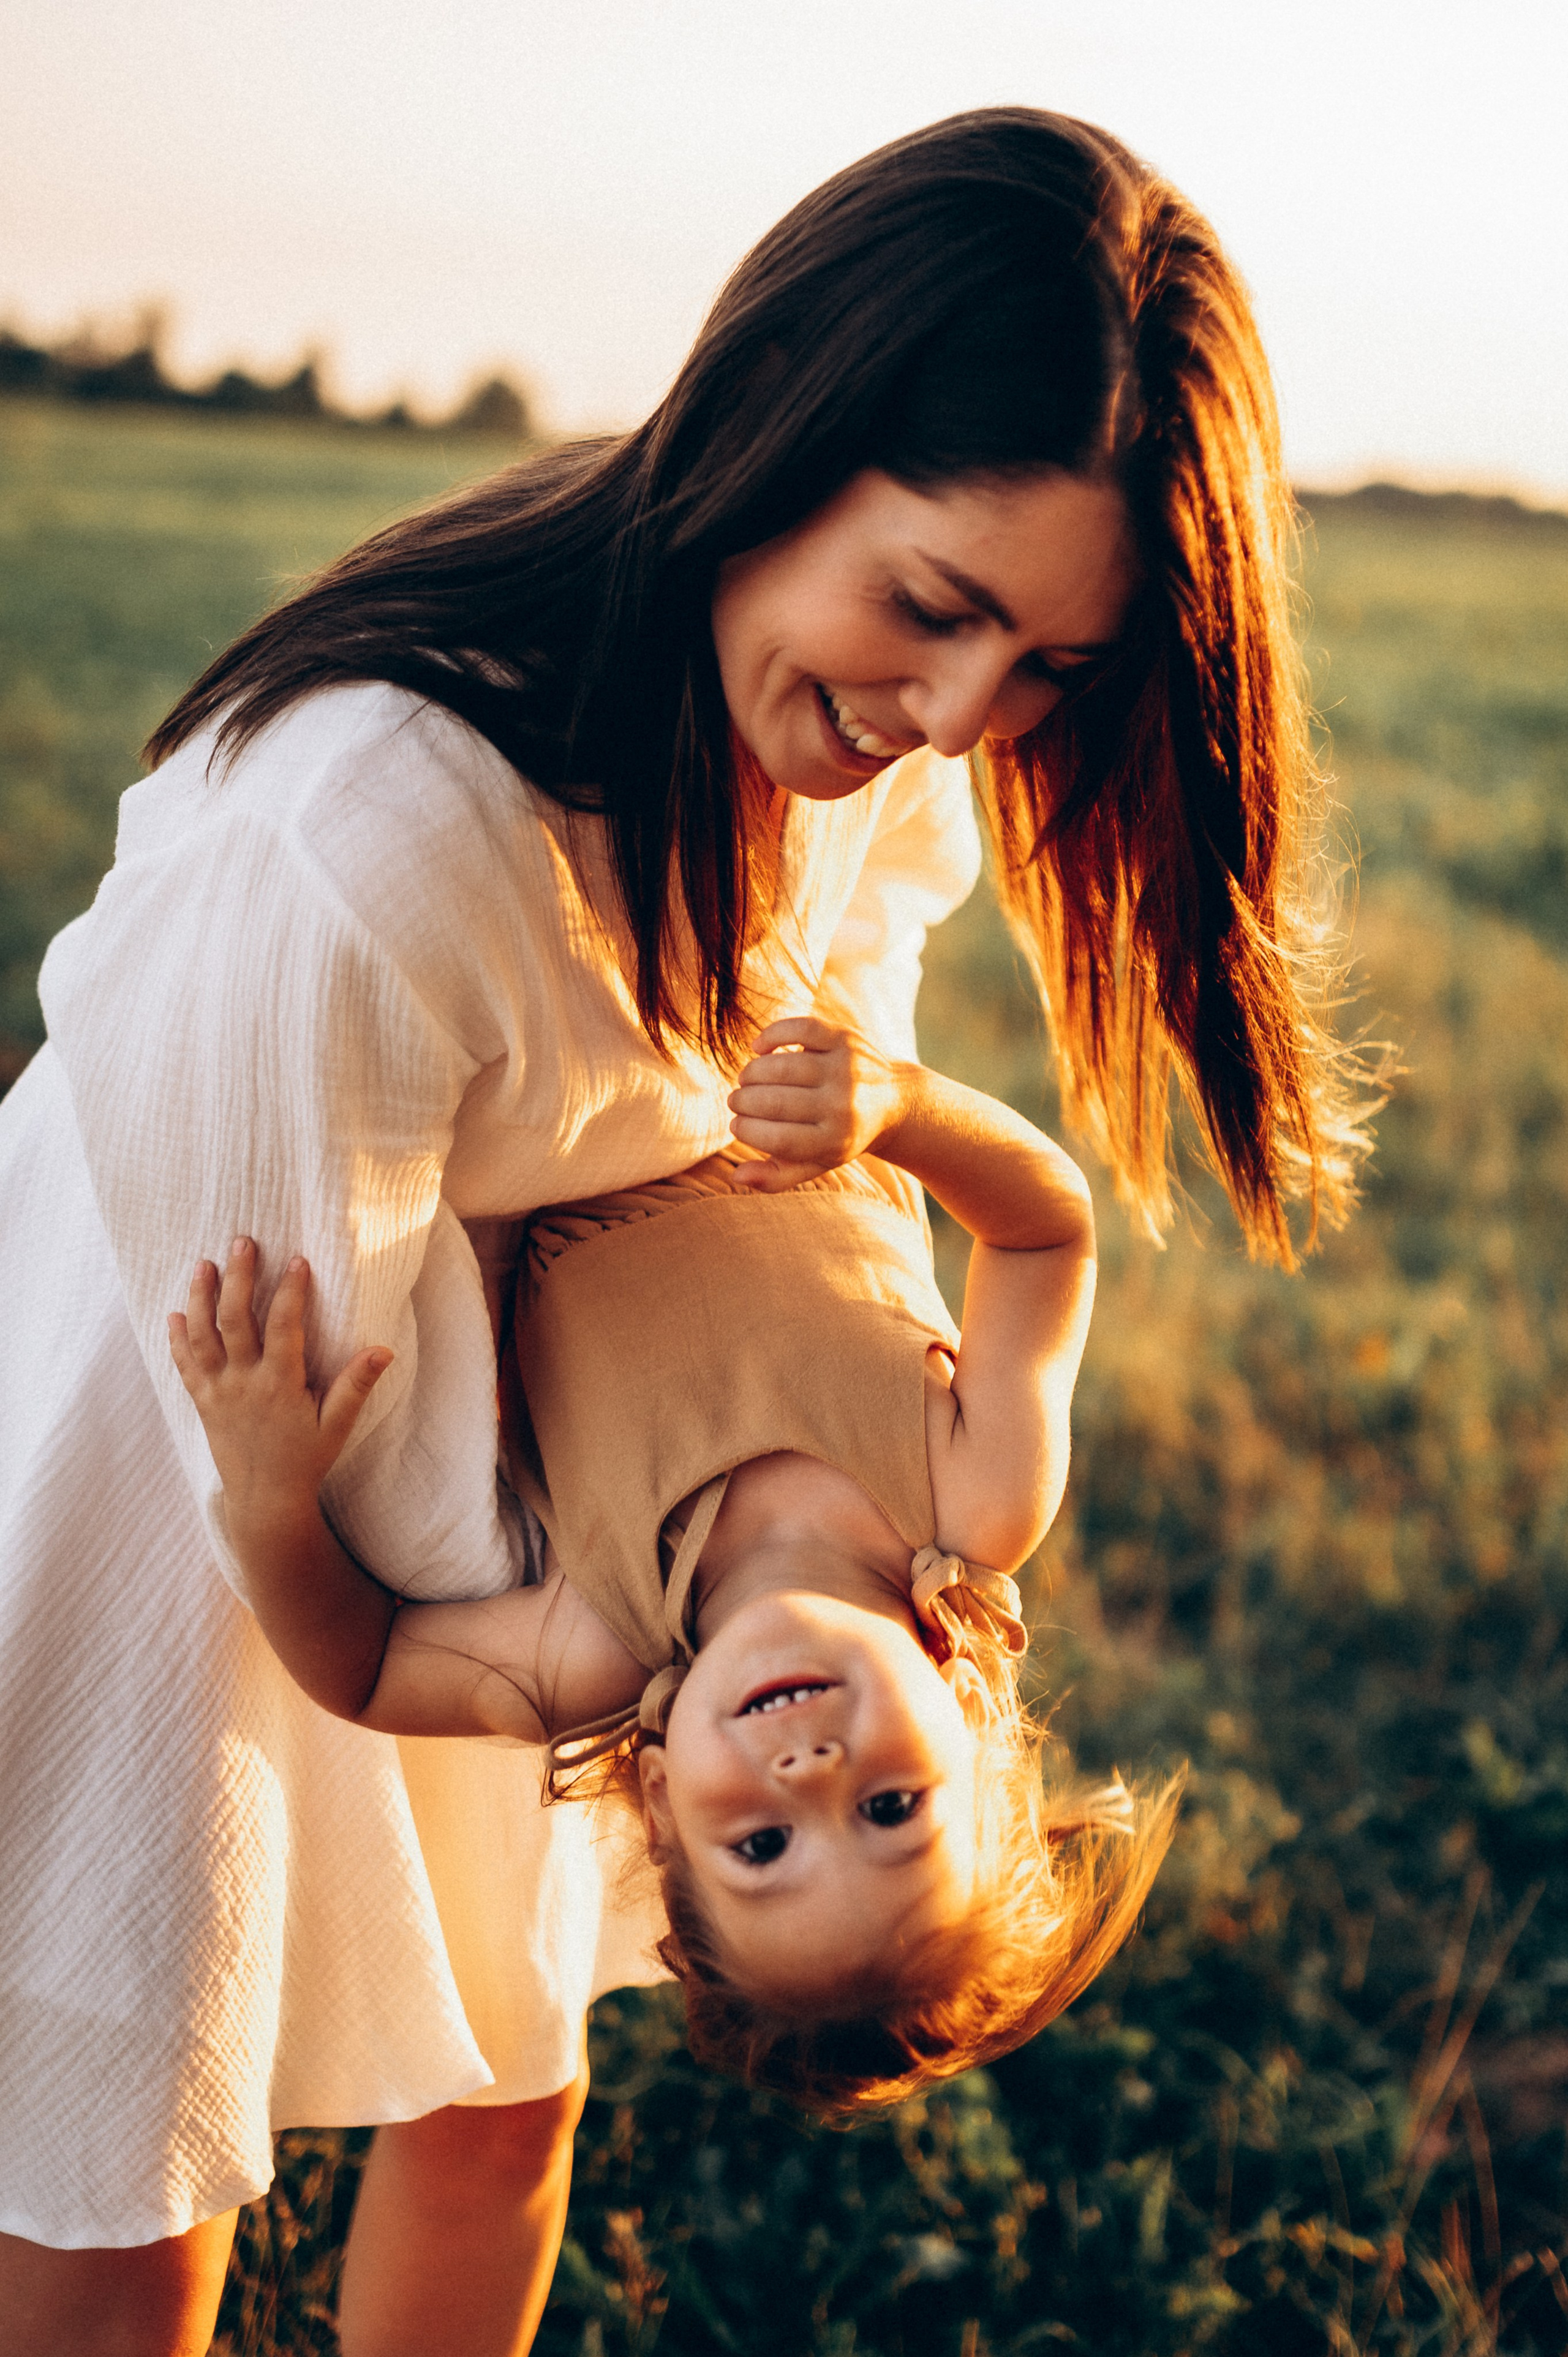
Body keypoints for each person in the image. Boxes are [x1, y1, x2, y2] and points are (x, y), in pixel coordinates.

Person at [0, 106, 1369, 2357]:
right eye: (934, 608)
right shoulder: (374, 841)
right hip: (225, 1429)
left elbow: (871, 1016)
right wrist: (619, 1636)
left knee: (510, 2074)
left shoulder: (874, 734)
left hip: (556, 1495)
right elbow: (296, 1371)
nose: (954, 720)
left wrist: (700, 1559)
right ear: (772, 430)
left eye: (1044, 670)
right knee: (136, 2125)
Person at [168, 1016, 1182, 2113]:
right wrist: (900, 1102)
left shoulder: (596, 1641)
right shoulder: (979, 1493)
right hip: (753, 1043)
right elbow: (1046, 1235)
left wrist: (273, 1501)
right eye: (893, 1811)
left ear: (660, 1806)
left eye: (760, 1844)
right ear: (971, 1730)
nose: (812, 1775)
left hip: (548, 1128)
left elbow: (364, 1670)